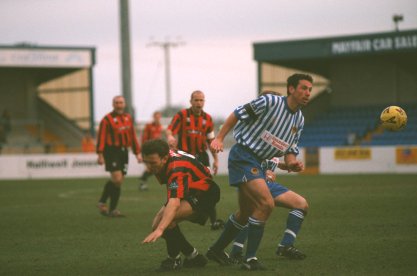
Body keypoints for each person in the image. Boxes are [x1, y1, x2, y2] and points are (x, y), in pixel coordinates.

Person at [206, 73, 313, 271]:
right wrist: (220, 138)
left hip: (260, 163)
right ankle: (250, 259)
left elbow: (289, 151)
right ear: (291, 89)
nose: (308, 93)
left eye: (310, 90)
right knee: (265, 203)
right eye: (304, 88)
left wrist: (292, 164)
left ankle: (216, 250)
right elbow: (237, 114)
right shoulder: (270, 101)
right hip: (243, 156)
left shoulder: (299, 119)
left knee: (246, 213)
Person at [141, 139, 220, 271]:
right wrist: (160, 227)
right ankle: (193, 256)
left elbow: (174, 202)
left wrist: (161, 229)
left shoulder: (176, 168)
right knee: (156, 224)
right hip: (189, 189)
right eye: (146, 162)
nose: (149, 167)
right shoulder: (166, 156)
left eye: (153, 163)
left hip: (205, 192)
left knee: (166, 223)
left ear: (165, 158)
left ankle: (174, 259)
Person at [229, 158, 308, 263]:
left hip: (263, 182)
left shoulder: (273, 145)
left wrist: (286, 165)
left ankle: (286, 245)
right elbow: (250, 154)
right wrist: (263, 172)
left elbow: (270, 160)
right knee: (248, 212)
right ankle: (236, 252)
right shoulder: (256, 143)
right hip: (252, 180)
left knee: (301, 204)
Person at [166, 90, 223, 230]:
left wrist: (215, 159)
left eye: (201, 100)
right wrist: (170, 137)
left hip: (201, 156)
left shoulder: (208, 119)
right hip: (185, 157)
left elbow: (211, 140)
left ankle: (213, 221)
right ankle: (178, 214)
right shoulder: (182, 115)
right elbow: (169, 130)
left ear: (204, 102)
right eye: (196, 100)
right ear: (191, 101)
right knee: (184, 187)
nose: (199, 103)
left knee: (208, 186)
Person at [96, 95, 141, 217]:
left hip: (123, 152)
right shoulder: (107, 119)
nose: (119, 105)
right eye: (117, 103)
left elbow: (132, 136)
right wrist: (100, 154)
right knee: (116, 178)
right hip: (111, 151)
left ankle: (111, 208)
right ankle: (103, 203)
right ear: (113, 104)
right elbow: (101, 137)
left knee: (119, 181)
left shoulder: (128, 118)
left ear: (124, 104)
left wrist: (137, 153)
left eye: (121, 103)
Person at [138, 111, 163, 191]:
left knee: (154, 168)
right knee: (150, 168)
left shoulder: (159, 126)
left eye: (159, 117)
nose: (157, 119)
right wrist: (143, 150)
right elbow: (144, 138)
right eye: (156, 117)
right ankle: (142, 182)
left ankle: (142, 181)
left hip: (156, 151)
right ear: (153, 117)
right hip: (148, 150)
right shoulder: (149, 126)